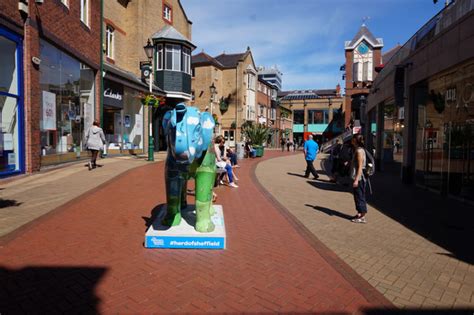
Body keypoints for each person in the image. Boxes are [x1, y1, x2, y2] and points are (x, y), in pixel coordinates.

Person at [350, 134, 368, 223]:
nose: (351, 140)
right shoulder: (358, 150)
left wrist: (356, 179)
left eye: (352, 139)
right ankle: (360, 214)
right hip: (359, 177)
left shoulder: (359, 151)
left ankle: (362, 216)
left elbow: (360, 166)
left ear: (355, 140)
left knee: (359, 196)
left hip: (360, 178)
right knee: (358, 196)